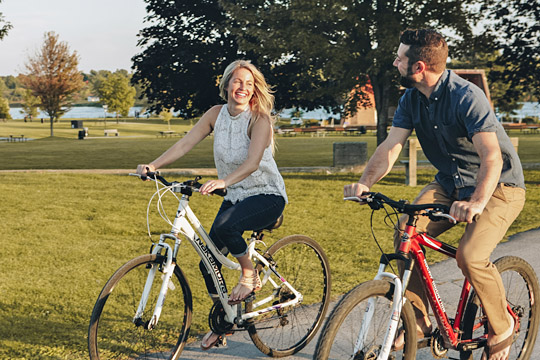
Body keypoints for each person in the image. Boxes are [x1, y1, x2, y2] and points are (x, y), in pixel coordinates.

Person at [344, 29, 525, 360]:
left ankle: (502, 327)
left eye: (400, 57)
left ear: (419, 67)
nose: (395, 61)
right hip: (451, 185)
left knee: (469, 256)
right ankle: (420, 321)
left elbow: (492, 158)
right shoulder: (411, 99)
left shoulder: (467, 97)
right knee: (405, 233)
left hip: (499, 187)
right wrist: (365, 183)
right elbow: (390, 146)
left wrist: (476, 203)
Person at [136, 59, 288, 350]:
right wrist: (153, 165)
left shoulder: (259, 119)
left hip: (267, 195)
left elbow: (253, 162)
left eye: (248, 83)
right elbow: (185, 143)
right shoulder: (215, 114)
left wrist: (223, 181)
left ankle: (248, 274)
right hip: (236, 196)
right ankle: (225, 320)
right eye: (237, 81)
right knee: (208, 263)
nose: (242, 87)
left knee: (225, 225)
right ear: (227, 84)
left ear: (254, 89)